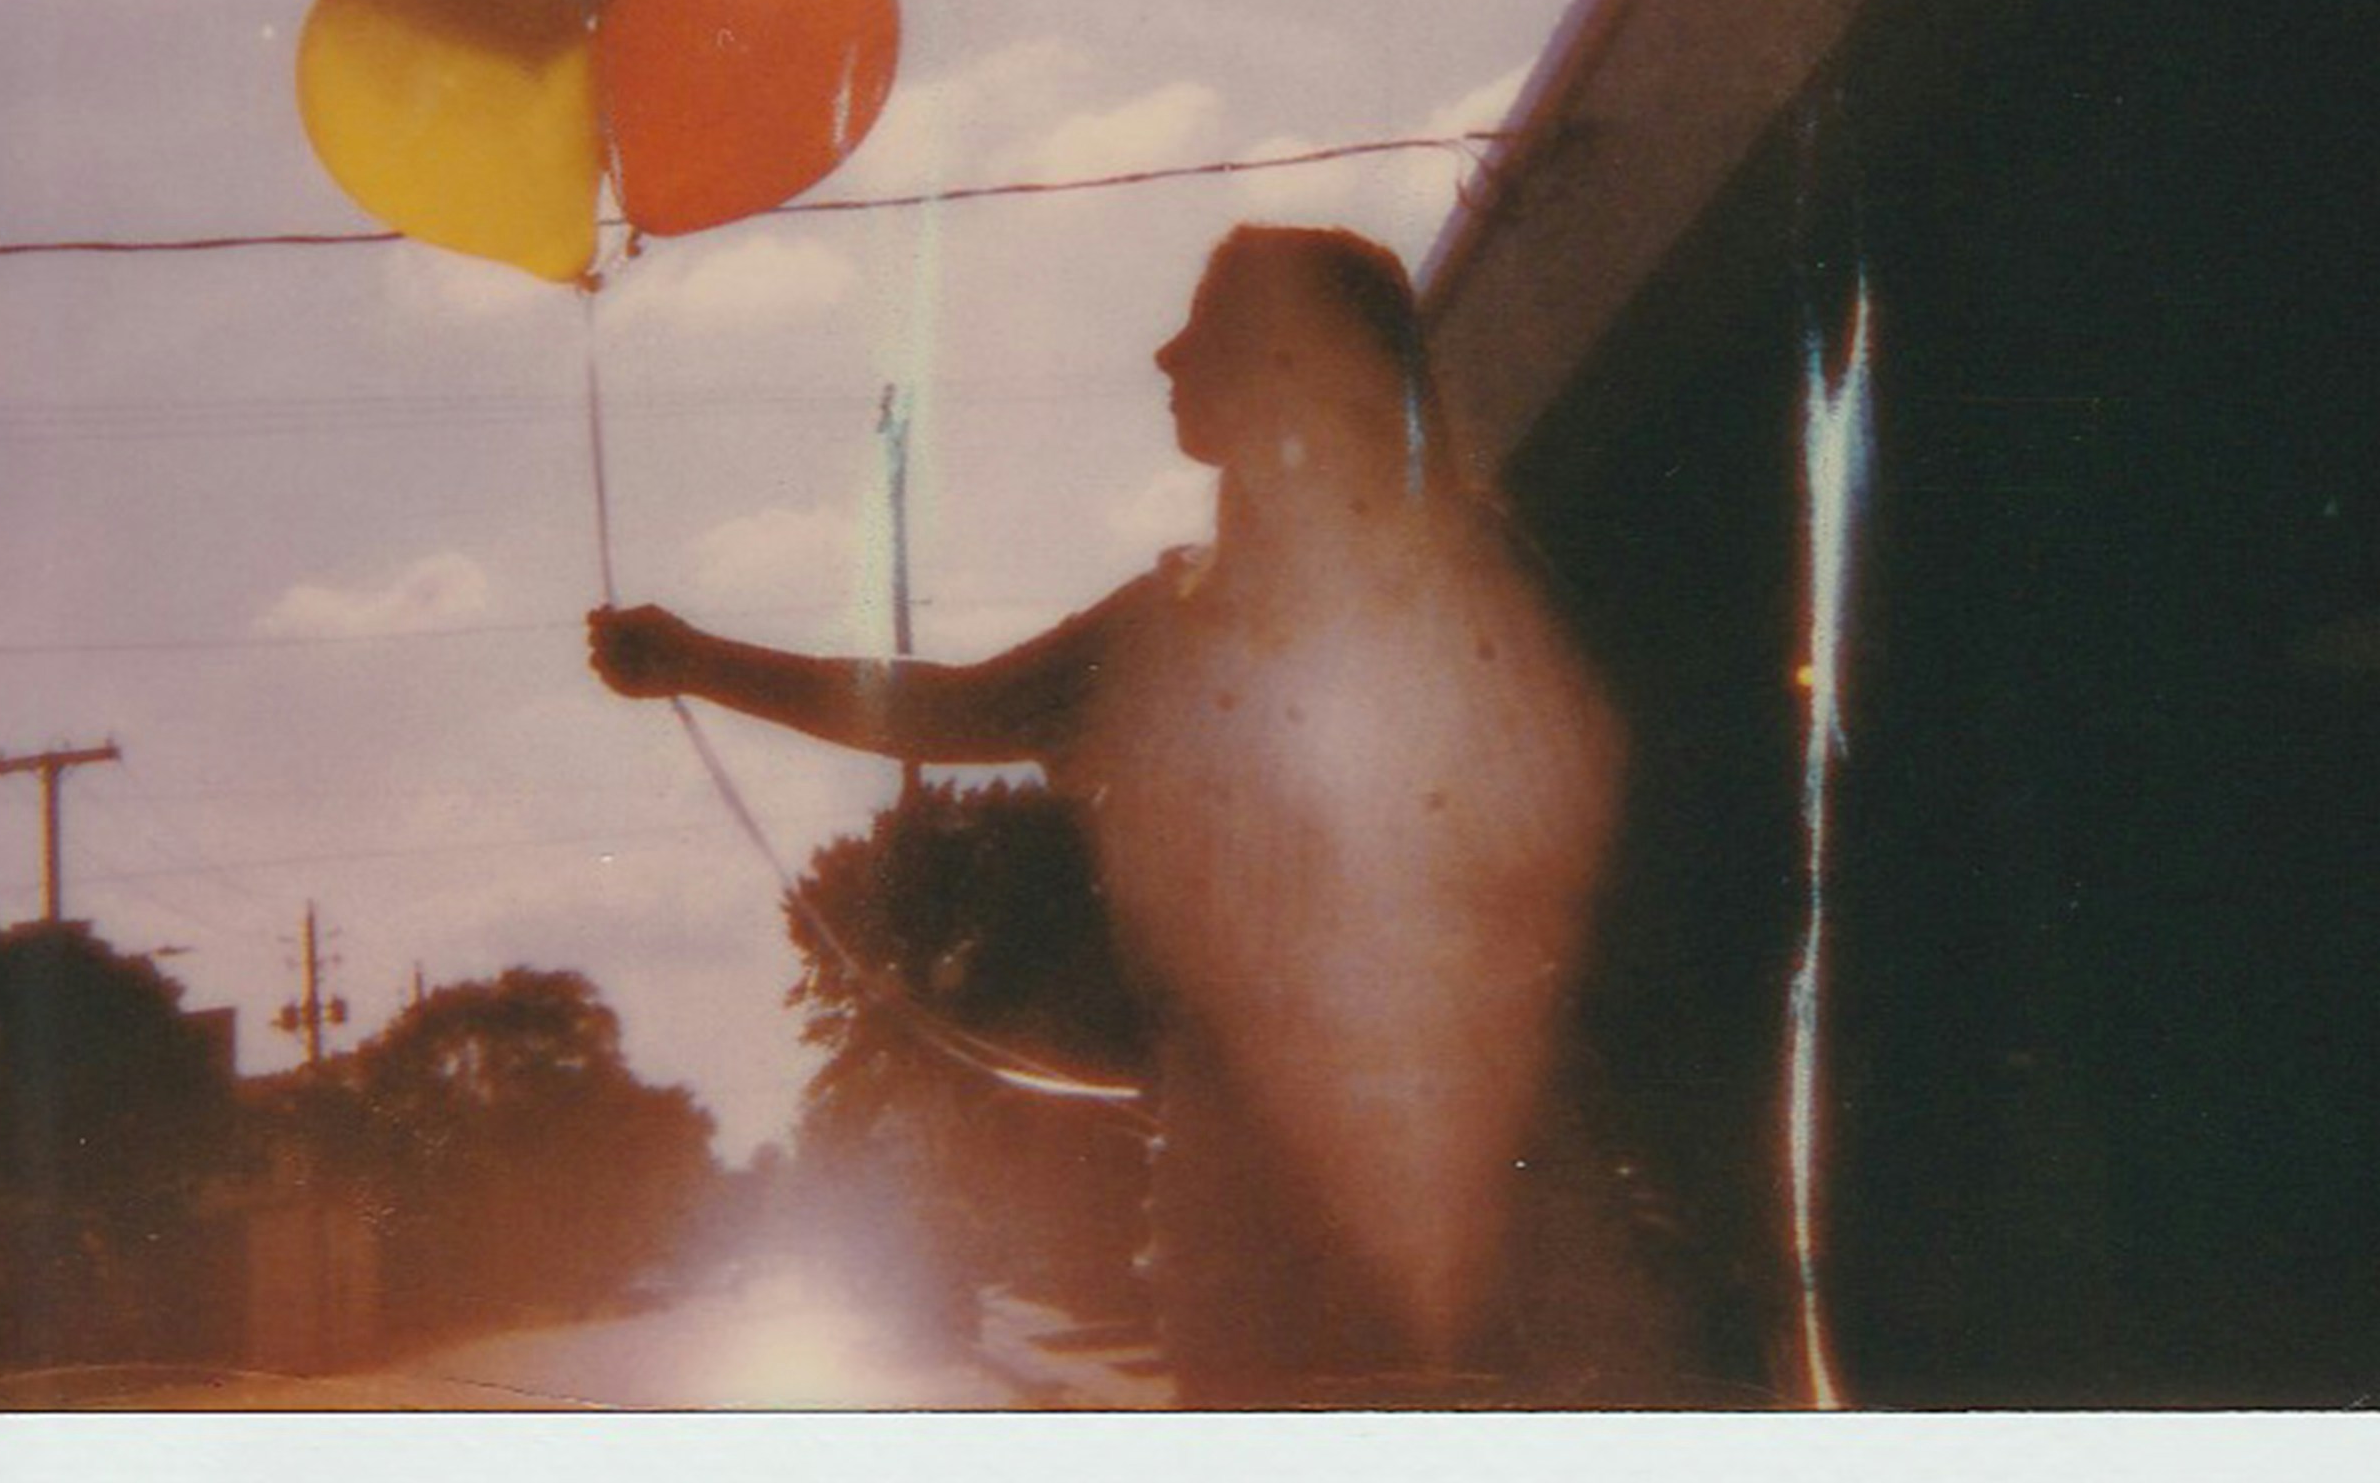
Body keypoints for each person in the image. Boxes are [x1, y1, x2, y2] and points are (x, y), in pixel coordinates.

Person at [589, 223, 1630, 1402]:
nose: (1163, 356)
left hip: (1406, 1178)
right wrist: (696, 659)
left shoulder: (1270, 614)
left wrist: (695, 661)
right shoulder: (1409, 582)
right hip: (1361, 1171)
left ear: (1295, 364)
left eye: (1206, 331)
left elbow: (948, 713)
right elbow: (948, 708)